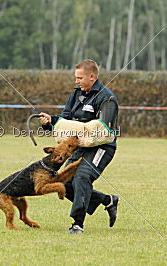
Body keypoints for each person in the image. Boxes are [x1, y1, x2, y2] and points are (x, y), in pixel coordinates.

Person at [38, 59, 120, 234]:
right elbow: (65, 120)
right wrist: (50, 121)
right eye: (76, 77)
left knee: (82, 177)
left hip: (101, 147)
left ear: (92, 76)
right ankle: (107, 200)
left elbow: (104, 131)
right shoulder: (76, 94)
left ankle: (77, 224)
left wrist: (74, 128)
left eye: (79, 77)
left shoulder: (107, 98)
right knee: (63, 182)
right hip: (79, 146)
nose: (76, 81)